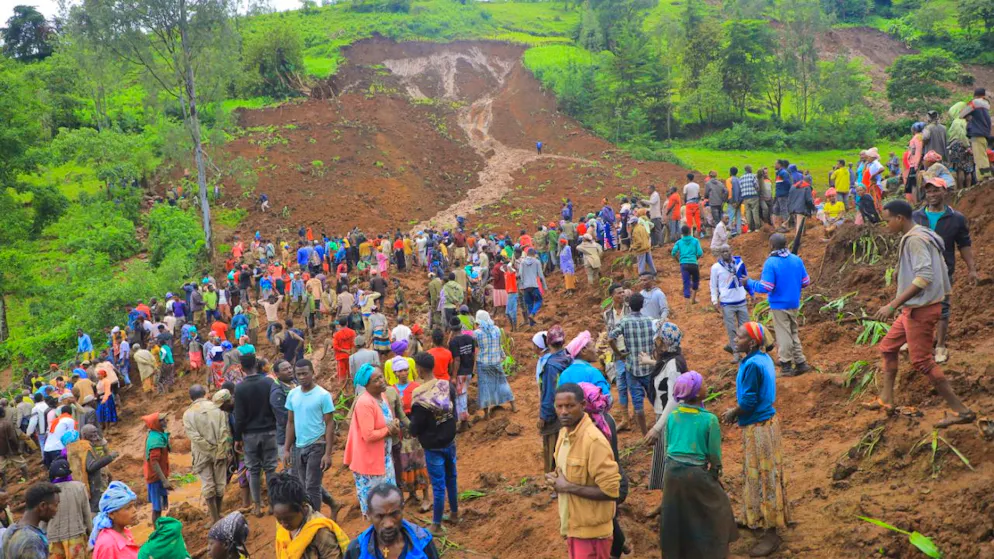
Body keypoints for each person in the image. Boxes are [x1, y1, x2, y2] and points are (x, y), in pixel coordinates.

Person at [867, 200, 976, 428]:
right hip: (914, 308)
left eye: (887, 220)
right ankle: (886, 399)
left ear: (900, 219)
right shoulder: (923, 233)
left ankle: (961, 410)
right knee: (888, 348)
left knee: (922, 362)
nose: (885, 225)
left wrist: (892, 304)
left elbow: (924, 276)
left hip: (921, 310)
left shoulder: (916, 240)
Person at [721, 323, 788, 557]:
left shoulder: (751, 365)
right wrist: (736, 350)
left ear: (751, 342)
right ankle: (757, 517)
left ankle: (771, 533)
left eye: (739, 337)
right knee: (765, 473)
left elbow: (749, 401)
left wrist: (732, 412)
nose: (734, 339)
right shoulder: (762, 358)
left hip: (758, 427)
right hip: (767, 423)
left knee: (763, 476)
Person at [659, 372, 737, 559]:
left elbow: (668, 446)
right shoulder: (709, 419)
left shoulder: (673, 416)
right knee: (719, 507)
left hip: (671, 474)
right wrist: (715, 473)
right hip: (696, 473)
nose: (706, 387)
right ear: (695, 393)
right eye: (702, 385)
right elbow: (714, 454)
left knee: (676, 515)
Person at [547, 383, 621, 559]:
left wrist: (567, 487)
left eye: (570, 406)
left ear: (582, 406)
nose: (564, 411)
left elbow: (611, 491)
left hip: (593, 535)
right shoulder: (563, 435)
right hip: (574, 527)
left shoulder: (594, 441)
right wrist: (555, 481)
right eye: (559, 406)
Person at [912, 177, 978, 364]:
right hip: (919, 268)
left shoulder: (956, 218)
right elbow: (908, 242)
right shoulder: (917, 217)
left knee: (942, 307)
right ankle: (919, 342)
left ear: (945, 192)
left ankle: (940, 345)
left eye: (936, 191)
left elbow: (964, 244)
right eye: (929, 191)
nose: (932, 195)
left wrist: (971, 268)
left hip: (944, 269)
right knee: (917, 304)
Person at [747, 233, 812, 376]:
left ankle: (786, 365)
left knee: (783, 334)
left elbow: (766, 287)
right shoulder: (796, 260)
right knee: (793, 331)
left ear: (771, 245)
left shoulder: (771, 263)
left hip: (779, 304)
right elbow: (806, 282)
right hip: (794, 302)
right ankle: (800, 362)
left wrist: (749, 283)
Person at [408, 353, 458, 534]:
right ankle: (454, 513)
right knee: (451, 478)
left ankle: (436, 524)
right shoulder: (446, 385)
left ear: (420, 369)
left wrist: (408, 426)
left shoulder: (419, 394)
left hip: (433, 446)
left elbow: (415, 427)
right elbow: (455, 410)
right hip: (450, 440)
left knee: (438, 485)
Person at [284, 359, 339, 520]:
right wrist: (287, 449)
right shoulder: (293, 395)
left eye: (305, 373)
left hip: (317, 444)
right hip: (299, 446)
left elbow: (329, 424)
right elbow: (291, 422)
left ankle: (314, 521)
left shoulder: (323, 395)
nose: (301, 377)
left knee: (312, 487)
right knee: (304, 484)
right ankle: (332, 504)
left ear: (312, 373)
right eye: (298, 374)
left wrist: (328, 453)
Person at [344, 365, 399, 518]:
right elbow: (368, 435)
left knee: (387, 501)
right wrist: (389, 430)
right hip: (369, 462)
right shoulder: (365, 403)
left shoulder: (382, 397)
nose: (382, 381)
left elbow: (386, 420)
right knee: (375, 506)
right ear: (367, 385)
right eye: (376, 380)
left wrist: (394, 423)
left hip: (383, 458)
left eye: (381, 376)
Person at [232, 353, 278, 517]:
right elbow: (275, 407)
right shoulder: (268, 382)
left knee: (254, 469)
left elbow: (239, 416)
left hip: (250, 435)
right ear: (256, 364)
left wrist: (237, 438)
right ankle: (273, 504)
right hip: (270, 431)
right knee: (271, 468)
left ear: (241, 368)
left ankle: (257, 506)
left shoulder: (240, 387)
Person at [343, 483, 440, 559]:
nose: (388, 524)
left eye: (394, 514)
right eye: (380, 516)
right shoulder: (357, 550)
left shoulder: (423, 542)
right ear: (369, 515)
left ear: (402, 510)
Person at [271, 473, 350, 559]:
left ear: (303, 508)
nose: (283, 524)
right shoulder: (283, 524)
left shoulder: (320, 531)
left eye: (289, 519)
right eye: (279, 519)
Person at [608, 294, 656, 435]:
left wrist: (620, 354)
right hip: (648, 366)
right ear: (642, 305)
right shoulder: (650, 321)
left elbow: (611, 338)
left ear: (629, 304)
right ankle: (661, 427)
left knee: (638, 404)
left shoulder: (625, 321)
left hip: (632, 368)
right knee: (655, 399)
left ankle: (645, 434)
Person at [183, 384, 231, 522]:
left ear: (191, 398)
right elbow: (224, 431)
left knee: (208, 485)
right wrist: (219, 451)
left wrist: (209, 450)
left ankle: (214, 518)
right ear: (205, 394)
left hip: (201, 454)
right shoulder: (217, 408)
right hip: (220, 451)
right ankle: (219, 512)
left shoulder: (188, 414)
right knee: (220, 484)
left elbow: (194, 437)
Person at [391, 364, 431, 512]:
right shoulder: (391, 390)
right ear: (395, 373)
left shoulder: (416, 387)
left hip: (414, 428)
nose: (403, 373)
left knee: (419, 461)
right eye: (400, 371)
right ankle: (412, 494)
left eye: (405, 370)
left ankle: (426, 496)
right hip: (400, 432)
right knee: (404, 462)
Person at [710, 244, 755, 362]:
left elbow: (746, 279)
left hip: (741, 301)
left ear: (731, 251)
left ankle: (747, 352)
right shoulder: (716, 267)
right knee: (731, 329)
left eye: (727, 251)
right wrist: (715, 301)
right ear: (720, 253)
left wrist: (752, 293)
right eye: (722, 251)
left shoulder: (739, 263)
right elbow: (713, 285)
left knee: (745, 328)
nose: (725, 253)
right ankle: (736, 354)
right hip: (726, 303)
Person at [538, 326, 571, 472]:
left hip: (556, 411)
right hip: (572, 406)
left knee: (552, 447)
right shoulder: (569, 358)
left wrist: (544, 416)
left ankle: (554, 481)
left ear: (548, 343)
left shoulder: (551, 365)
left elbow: (549, 393)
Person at [0, 482, 61, 559]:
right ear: (43, 506)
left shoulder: (11, 529)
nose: (56, 510)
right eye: (55, 505)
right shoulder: (32, 541)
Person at [473, 311, 515, 418]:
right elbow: (499, 344)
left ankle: (486, 414)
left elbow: (476, 348)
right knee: (502, 383)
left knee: (484, 387)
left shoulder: (477, 333)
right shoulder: (496, 329)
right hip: (496, 361)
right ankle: (513, 405)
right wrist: (502, 355)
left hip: (483, 363)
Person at [46, 459, 90, 559]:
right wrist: (90, 532)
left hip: (53, 538)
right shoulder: (79, 487)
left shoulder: (47, 491)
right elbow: (86, 514)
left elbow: (43, 520)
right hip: (76, 534)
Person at [90, 482, 140, 559]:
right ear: (112, 514)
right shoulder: (108, 545)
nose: (134, 510)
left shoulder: (125, 532)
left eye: (134, 505)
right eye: (128, 507)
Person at [558, 331, 610, 397]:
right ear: (584, 350)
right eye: (593, 347)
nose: (596, 350)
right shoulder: (593, 372)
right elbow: (607, 399)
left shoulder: (564, 375)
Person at [142, 412, 172, 523]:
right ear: (156, 423)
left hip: (157, 476)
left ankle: (157, 529)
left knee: (158, 507)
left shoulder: (157, 435)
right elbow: (154, 462)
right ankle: (156, 531)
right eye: (162, 420)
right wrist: (164, 481)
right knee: (157, 508)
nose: (166, 421)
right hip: (155, 478)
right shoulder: (155, 440)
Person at [959, 88, 991, 180]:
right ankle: (983, 177)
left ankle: (984, 177)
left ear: (975, 95)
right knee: (981, 156)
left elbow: (961, 115)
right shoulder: (986, 105)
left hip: (977, 134)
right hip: (984, 134)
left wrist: (968, 117)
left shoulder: (974, 103)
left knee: (979, 158)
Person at [671, 225, 703, 308]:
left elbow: (673, 253)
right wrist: (695, 259)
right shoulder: (695, 241)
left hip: (684, 264)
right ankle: (693, 299)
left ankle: (687, 305)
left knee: (686, 282)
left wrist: (678, 260)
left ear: (682, 233)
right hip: (693, 263)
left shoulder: (679, 242)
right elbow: (700, 253)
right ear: (689, 232)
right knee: (696, 281)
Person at [518, 248, 547, 327]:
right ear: (534, 254)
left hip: (526, 287)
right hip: (534, 285)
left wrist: (521, 286)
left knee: (529, 304)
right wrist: (544, 286)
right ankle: (533, 314)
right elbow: (541, 275)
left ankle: (532, 325)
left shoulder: (522, 262)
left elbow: (520, 275)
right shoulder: (537, 262)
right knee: (539, 300)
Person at [0, 407, 27, 488]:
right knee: (21, 463)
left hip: (1, 451)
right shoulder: (8, 423)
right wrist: (17, 448)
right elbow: (12, 438)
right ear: (2, 413)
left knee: (1, 467)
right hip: (10, 449)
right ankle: (26, 478)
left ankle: (5, 484)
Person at [684, 173, 702, 237]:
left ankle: (689, 235)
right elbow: (699, 195)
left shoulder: (686, 186)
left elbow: (685, 196)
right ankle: (699, 235)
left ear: (688, 178)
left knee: (689, 221)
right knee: (697, 220)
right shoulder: (697, 185)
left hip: (689, 204)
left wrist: (685, 203)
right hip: (696, 204)